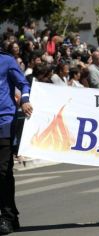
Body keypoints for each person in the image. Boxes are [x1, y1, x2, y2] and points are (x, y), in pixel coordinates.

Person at [0, 51, 33, 234]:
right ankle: (12, 215)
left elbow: (22, 83)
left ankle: (5, 217)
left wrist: (25, 100)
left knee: (2, 171)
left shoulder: (6, 60)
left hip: (4, 121)